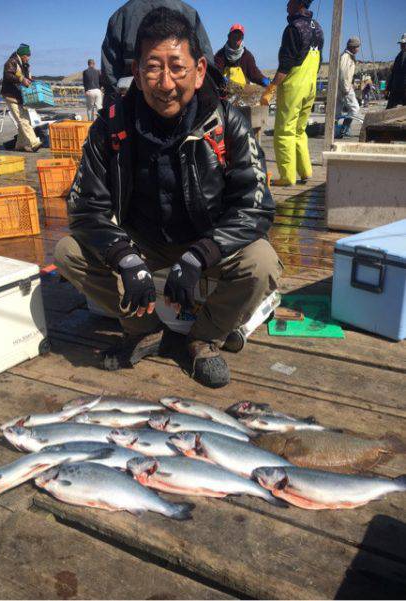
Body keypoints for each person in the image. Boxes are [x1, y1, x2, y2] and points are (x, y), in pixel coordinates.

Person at [55, 7, 281, 389]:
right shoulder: (111, 125)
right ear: (137, 73)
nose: (165, 83)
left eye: (176, 67)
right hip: (143, 241)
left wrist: (200, 255)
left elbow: (254, 205)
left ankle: (204, 337)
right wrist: (124, 257)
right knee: (67, 252)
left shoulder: (228, 122)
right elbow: (85, 206)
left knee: (262, 263)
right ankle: (144, 329)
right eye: (152, 68)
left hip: (208, 240)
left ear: (199, 69)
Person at [260, 0, 324, 187]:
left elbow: (285, 66)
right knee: (299, 130)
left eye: (289, 1)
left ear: (298, 3)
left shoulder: (293, 28)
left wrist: (270, 89)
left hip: (293, 87)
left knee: (284, 132)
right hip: (310, 85)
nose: (287, 4)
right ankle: (305, 171)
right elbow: (319, 61)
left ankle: (287, 177)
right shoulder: (317, 28)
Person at [101, 0, 219, 98]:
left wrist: (115, 102)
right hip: (176, 97)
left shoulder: (120, 15)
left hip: (129, 95)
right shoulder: (188, 12)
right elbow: (206, 61)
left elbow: (110, 70)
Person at [0, 44, 42, 152]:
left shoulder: (24, 64)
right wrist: (21, 79)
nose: (28, 58)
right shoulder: (11, 62)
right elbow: (8, 75)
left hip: (20, 96)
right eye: (27, 56)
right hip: (11, 95)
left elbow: (26, 78)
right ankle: (34, 143)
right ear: (22, 55)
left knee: (26, 119)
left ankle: (20, 145)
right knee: (22, 120)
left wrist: (32, 82)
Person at [214, 24, 270, 88]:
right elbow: (215, 72)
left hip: (241, 92)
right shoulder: (220, 55)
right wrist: (220, 78)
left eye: (239, 37)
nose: (236, 39)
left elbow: (253, 73)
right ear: (229, 36)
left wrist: (262, 79)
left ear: (242, 38)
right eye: (234, 36)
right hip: (224, 90)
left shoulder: (247, 56)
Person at [335, 37, 361, 138]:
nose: (358, 49)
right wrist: (346, 89)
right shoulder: (346, 57)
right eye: (358, 47)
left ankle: (335, 131)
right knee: (355, 108)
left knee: (337, 111)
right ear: (354, 47)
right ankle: (344, 129)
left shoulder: (347, 57)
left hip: (341, 87)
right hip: (345, 88)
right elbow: (343, 74)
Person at [386, 33, 406, 109]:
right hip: (396, 88)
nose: (402, 45)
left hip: (403, 89)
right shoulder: (398, 56)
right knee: (389, 110)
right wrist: (388, 88)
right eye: (401, 44)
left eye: (404, 44)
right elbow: (393, 73)